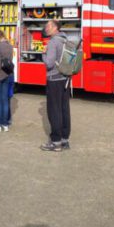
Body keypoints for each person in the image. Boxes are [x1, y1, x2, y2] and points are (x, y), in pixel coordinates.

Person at [40, 20, 71, 152]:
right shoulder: (65, 39)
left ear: (54, 28)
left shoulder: (53, 42)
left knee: (54, 111)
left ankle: (55, 142)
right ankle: (64, 140)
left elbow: (49, 64)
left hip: (54, 79)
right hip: (65, 79)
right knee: (64, 109)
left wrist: (43, 53)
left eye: (48, 26)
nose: (45, 29)